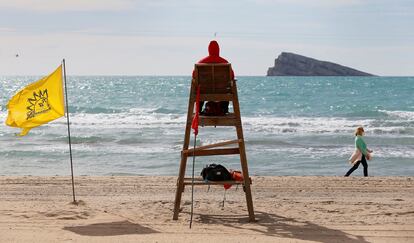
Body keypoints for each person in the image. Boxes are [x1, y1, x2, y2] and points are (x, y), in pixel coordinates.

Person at [192, 40, 234, 114]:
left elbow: (194, 76)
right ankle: (224, 109)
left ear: (209, 50)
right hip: (222, 92)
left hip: (204, 92)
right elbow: (232, 76)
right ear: (218, 50)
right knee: (226, 91)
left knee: (201, 88)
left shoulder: (201, 63)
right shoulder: (225, 62)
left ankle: (198, 111)